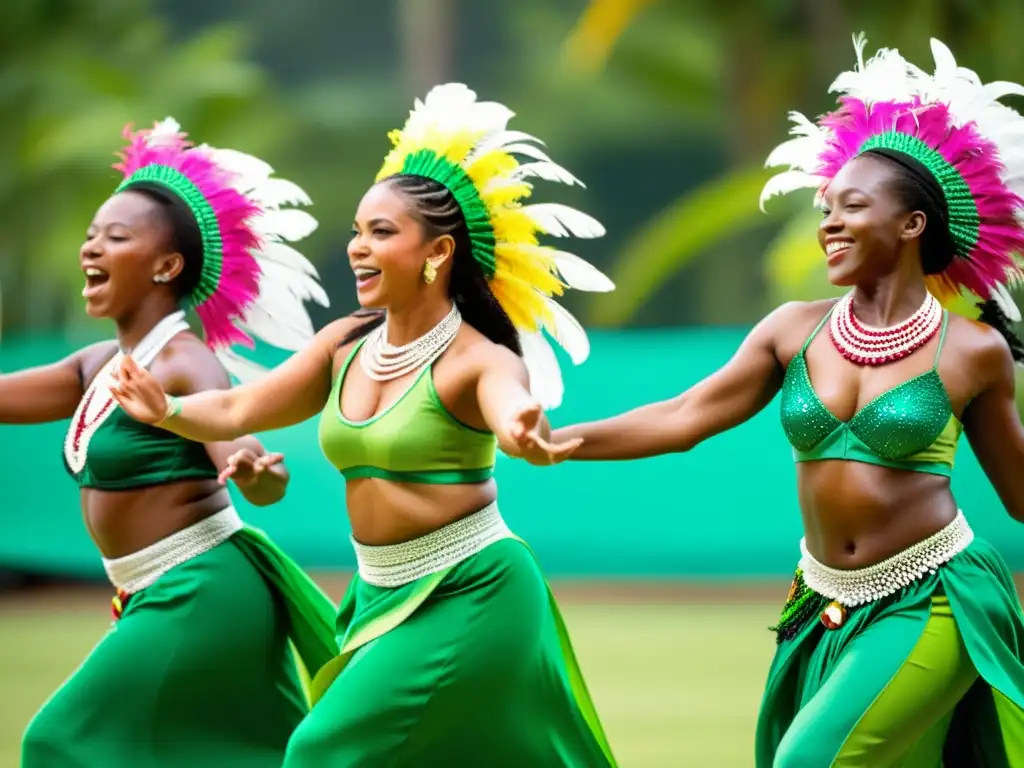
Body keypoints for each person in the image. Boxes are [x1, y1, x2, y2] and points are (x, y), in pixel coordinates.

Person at [108, 84, 619, 767]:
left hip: (470, 591)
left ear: (437, 254)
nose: (356, 247)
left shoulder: (479, 358)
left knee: (319, 752)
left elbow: (508, 402)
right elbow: (237, 409)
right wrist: (166, 410)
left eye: (381, 232)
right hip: (379, 591)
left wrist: (520, 425)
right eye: (356, 230)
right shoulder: (346, 342)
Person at [548, 36, 1024, 766]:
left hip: (931, 601)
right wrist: (560, 440)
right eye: (825, 207)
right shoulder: (792, 330)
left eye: (851, 207)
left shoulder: (972, 353)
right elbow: (683, 418)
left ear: (912, 225)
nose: (827, 222)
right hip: (824, 604)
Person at [10, 118, 340, 767]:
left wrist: (251, 467)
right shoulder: (95, 364)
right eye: (90, 235)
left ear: (166, 265)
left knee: (56, 742)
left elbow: (247, 459)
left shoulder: (186, 365)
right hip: (155, 594)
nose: (91, 248)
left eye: (116, 237)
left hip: (199, 590)